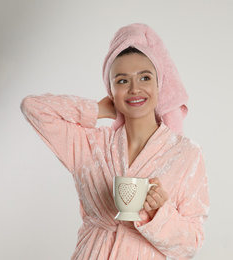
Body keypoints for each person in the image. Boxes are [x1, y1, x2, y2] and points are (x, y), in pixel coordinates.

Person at [20, 23, 209, 260]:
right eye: (122, 81)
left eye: (145, 77)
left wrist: (159, 213)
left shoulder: (186, 155)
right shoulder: (91, 145)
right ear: (111, 90)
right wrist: (95, 109)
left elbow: (191, 245)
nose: (134, 88)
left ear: (159, 85)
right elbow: (33, 107)